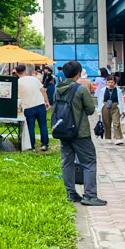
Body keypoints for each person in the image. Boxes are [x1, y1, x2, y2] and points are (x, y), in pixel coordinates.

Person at [54, 60, 106, 206]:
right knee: (89, 162)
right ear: (78, 73)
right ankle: (89, 195)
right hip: (80, 132)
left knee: (67, 162)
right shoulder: (80, 89)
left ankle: (71, 193)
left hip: (63, 130)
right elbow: (90, 110)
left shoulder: (58, 89)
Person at [17, 64, 50, 152]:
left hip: (28, 106)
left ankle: (32, 145)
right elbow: (42, 90)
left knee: (30, 127)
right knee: (43, 125)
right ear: (25, 71)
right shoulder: (34, 79)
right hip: (39, 104)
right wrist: (46, 101)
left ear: (16, 72)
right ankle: (44, 144)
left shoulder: (18, 82)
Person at [100, 73, 124, 145]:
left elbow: (121, 100)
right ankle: (108, 137)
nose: (110, 84)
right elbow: (100, 100)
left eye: (112, 82)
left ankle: (118, 138)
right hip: (105, 106)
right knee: (106, 122)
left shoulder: (118, 90)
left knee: (116, 123)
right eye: (109, 82)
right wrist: (99, 111)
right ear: (106, 82)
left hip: (115, 106)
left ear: (115, 82)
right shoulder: (103, 90)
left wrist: (123, 110)